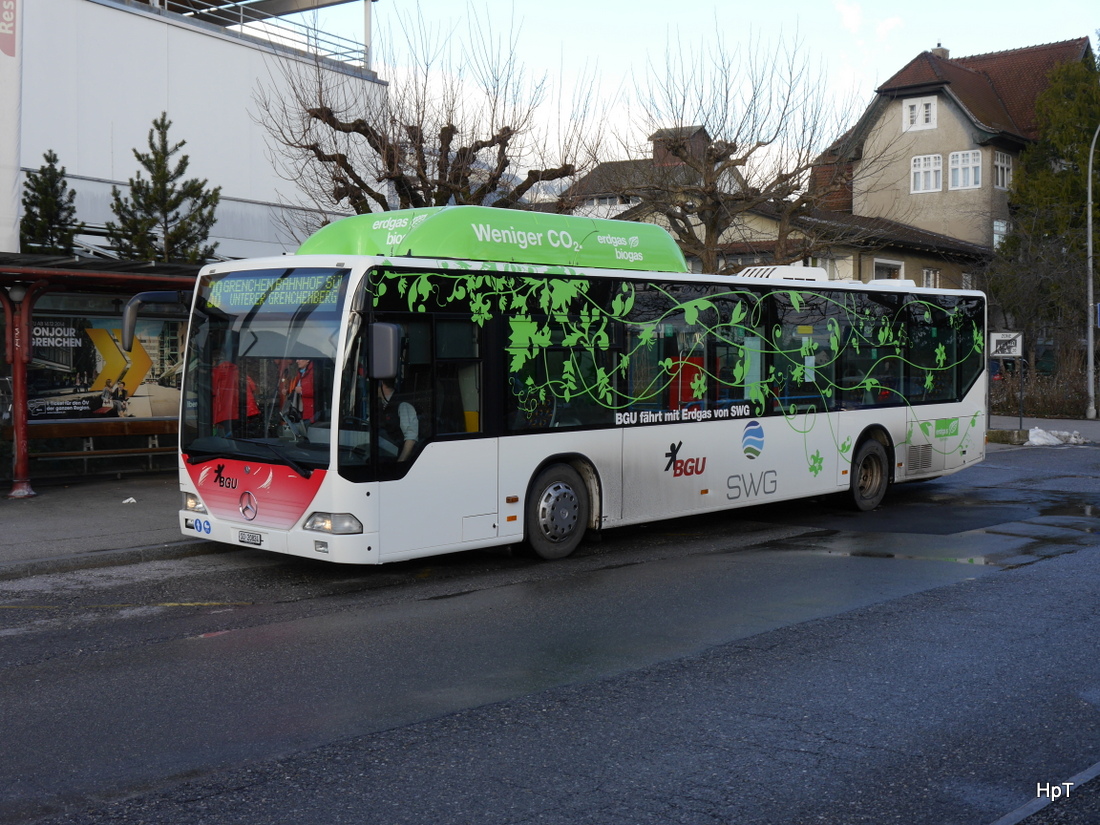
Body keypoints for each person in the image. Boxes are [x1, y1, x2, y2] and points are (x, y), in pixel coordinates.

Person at [378, 378, 418, 462]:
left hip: (396, 459)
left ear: (381, 384)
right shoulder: (382, 405)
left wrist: (400, 462)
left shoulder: (403, 405)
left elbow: (411, 438)